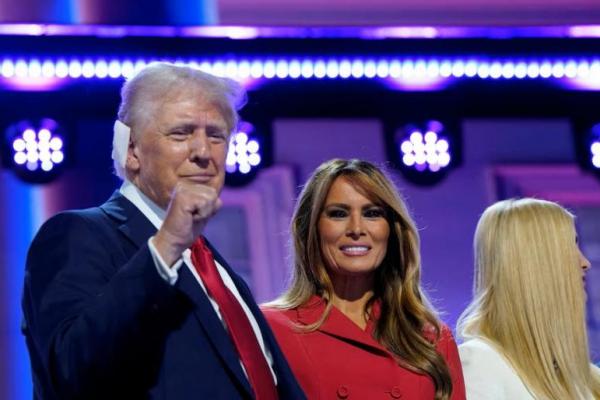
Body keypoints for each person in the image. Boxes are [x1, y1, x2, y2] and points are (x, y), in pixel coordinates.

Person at [21, 62, 305, 400]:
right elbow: (70, 372)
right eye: (181, 133)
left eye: (216, 135)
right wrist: (166, 245)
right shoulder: (77, 234)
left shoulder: (212, 265)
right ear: (131, 150)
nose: (203, 152)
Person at [262, 158, 466, 400]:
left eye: (372, 213)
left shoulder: (430, 338)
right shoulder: (271, 328)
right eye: (338, 214)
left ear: (391, 230)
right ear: (311, 230)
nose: (357, 228)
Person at [457, 198, 600, 399]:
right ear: (535, 264)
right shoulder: (481, 364)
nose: (585, 263)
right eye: (569, 247)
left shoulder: (585, 377)